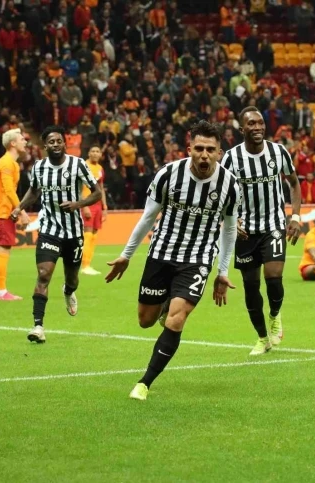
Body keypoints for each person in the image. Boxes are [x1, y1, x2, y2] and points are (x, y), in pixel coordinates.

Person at [105, 121, 241, 401]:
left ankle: (144, 383)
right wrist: (126, 255)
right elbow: (148, 217)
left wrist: (222, 270)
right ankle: (165, 301)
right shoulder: (168, 174)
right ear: (189, 149)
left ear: (220, 153)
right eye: (199, 148)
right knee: (145, 320)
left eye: (211, 150)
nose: (204, 155)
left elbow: (229, 230)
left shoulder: (230, 185)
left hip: (198, 258)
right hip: (161, 253)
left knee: (177, 317)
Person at [220, 106, 302, 356]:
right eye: (251, 124)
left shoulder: (278, 152)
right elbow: (221, 193)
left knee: (274, 277)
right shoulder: (231, 158)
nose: (257, 127)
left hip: (273, 224)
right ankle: (262, 337)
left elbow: (294, 183)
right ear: (242, 129)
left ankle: (275, 315)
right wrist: (231, 220)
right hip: (245, 231)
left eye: (260, 123)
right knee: (250, 286)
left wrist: (295, 216)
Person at [14, 126, 103, 343]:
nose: (56, 144)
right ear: (45, 146)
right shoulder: (39, 167)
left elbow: (97, 193)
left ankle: (68, 291)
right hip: (49, 230)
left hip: (73, 232)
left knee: (72, 279)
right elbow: (34, 191)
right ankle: (38, 326)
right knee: (44, 274)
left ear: (64, 144)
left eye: (59, 141)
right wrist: (19, 207)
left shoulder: (78, 164)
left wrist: (78, 204)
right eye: (51, 142)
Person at [0, 128, 29, 301]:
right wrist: (21, 211)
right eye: (21, 139)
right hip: (1, 212)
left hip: (4, 211)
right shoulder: (6, 163)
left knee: (5, 248)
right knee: (3, 249)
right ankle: (1, 292)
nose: (25, 141)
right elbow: (8, 190)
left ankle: (1, 291)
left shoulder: (12, 163)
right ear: (13, 143)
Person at [80, 146, 108, 275]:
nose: (95, 153)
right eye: (93, 151)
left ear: (101, 154)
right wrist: (84, 206)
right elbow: (79, 188)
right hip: (88, 202)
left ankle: (88, 264)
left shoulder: (100, 168)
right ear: (88, 153)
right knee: (87, 233)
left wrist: (104, 207)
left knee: (94, 235)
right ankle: (84, 265)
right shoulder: (84, 166)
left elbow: (101, 188)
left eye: (98, 151)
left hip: (98, 205)